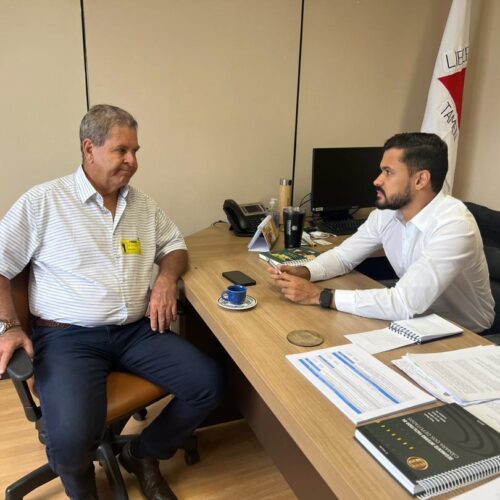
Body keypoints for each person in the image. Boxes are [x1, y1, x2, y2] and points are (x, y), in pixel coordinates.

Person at [0, 104, 224, 500]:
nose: (133, 161)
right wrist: (11, 326)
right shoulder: (43, 202)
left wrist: (167, 279)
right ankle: (84, 490)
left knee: (209, 383)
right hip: (68, 339)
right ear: (89, 149)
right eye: (122, 151)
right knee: (70, 442)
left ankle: (143, 453)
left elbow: (175, 245)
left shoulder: (142, 205)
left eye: (136, 151)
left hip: (136, 333)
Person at [269, 132, 494, 333]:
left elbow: (403, 303)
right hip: (415, 318)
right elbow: (343, 257)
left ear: (420, 180)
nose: (377, 180)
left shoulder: (454, 225)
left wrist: (319, 295)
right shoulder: (387, 214)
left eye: (388, 172)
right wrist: (306, 272)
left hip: (464, 331)